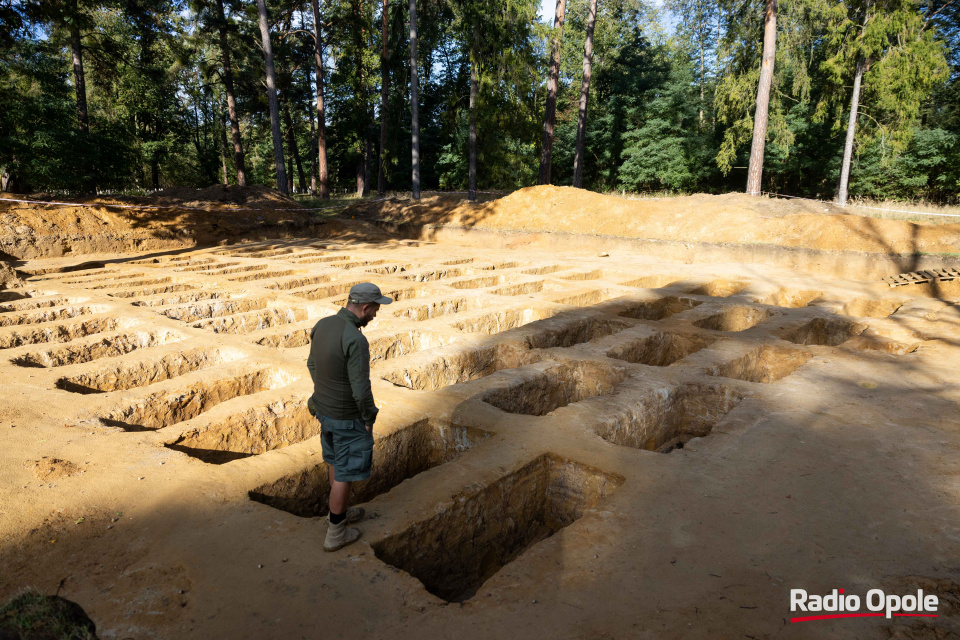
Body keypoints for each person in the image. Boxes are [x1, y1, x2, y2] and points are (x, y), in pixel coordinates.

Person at [306, 282, 392, 551]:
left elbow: (312, 364)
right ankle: (335, 534)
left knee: (335, 461)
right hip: (347, 417)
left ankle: (338, 513)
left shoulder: (324, 324)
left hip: (324, 410)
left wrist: (325, 393)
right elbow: (360, 388)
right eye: (375, 309)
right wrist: (369, 417)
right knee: (345, 474)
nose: (376, 314)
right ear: (364, 308)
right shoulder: (355, 339)